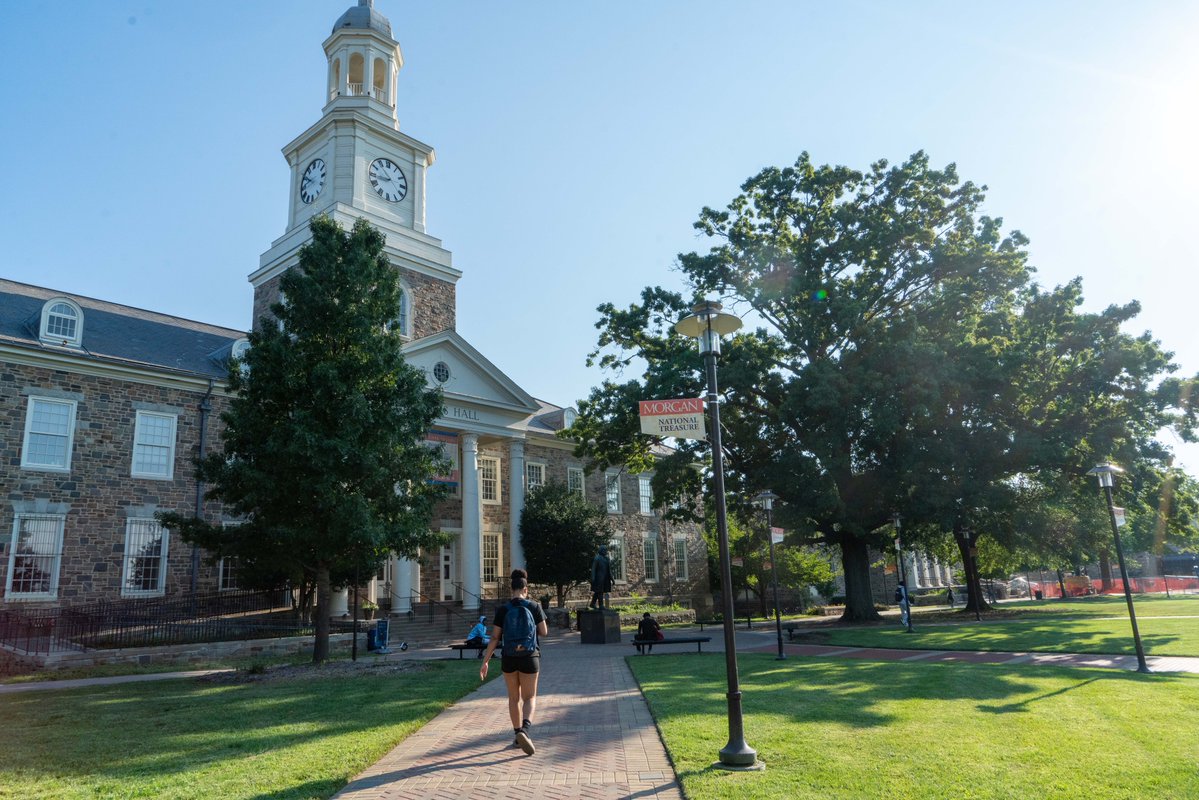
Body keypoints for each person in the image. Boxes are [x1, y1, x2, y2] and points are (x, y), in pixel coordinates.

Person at [480, 568, 549, 756]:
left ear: (512, 589)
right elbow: (544, 632)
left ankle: (517, 734)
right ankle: (525, 730)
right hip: (530, 657)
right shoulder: (534, 606)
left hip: (509, 658)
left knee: (513, 698)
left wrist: (485, 661)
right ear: (526, 589)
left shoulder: (503, 609)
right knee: (529, 697)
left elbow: (494, 638)